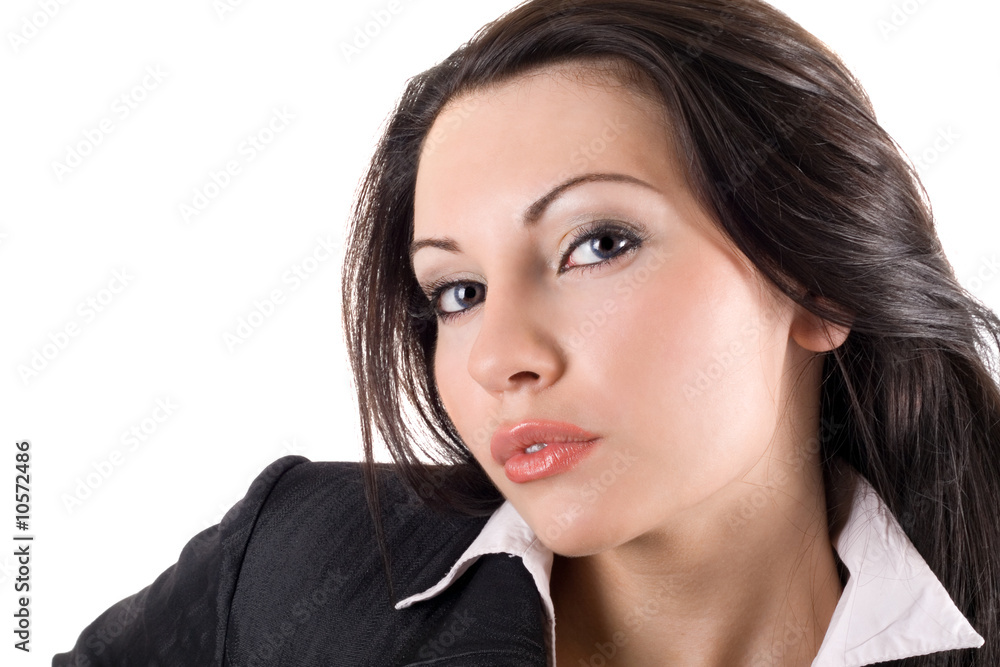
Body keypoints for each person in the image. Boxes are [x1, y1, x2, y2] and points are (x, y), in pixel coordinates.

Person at [54, 0, 999, 665]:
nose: (502, 357)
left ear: (817, 283)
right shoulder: (292, 568)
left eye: (599, 244)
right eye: (458, 291)